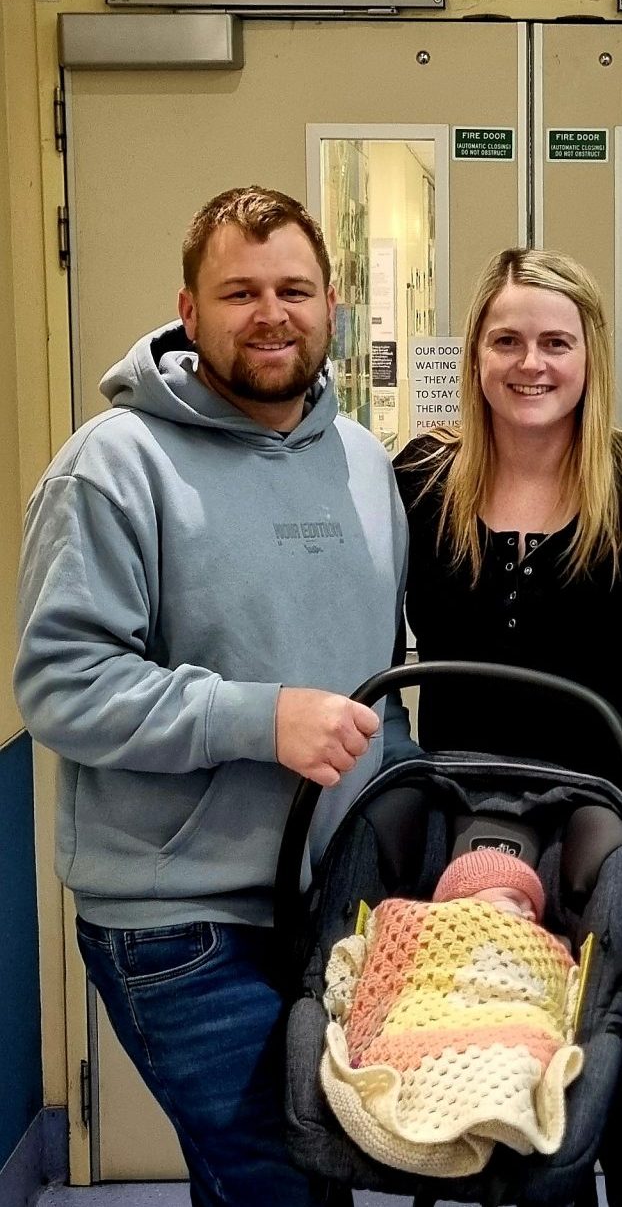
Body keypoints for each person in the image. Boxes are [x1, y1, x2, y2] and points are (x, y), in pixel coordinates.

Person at [14, 187, 416, 1207]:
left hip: (332, 903)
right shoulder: (111, 467)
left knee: (263, 1184)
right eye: (239, 290)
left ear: (334, 304)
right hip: (179, 919)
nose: (270, 312)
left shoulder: (363, 461)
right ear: (189, 311)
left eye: (294, 288)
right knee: (285, 1188)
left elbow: (379, 677)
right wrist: (259, 714)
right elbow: (63, 685)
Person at [393, 248, 622, 1207]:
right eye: (506, 339)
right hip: (473, 834)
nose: (530, 363)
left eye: (556, 341)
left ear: (591, 354)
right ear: (475, 354)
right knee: (491, 1081)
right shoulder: (420, 485)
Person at [320, 847, 581, 1177]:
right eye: (516, 901)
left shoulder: (542, 948)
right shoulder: (426, 925)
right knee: (402, 1035)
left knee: (522, 1053)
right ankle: (448, 1100)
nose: (529, 917)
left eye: (534, 911)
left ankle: (495, 1109)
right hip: (429, 1007)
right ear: (463, 901)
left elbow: (550, 994)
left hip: (512, 1017)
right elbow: (394, 973)